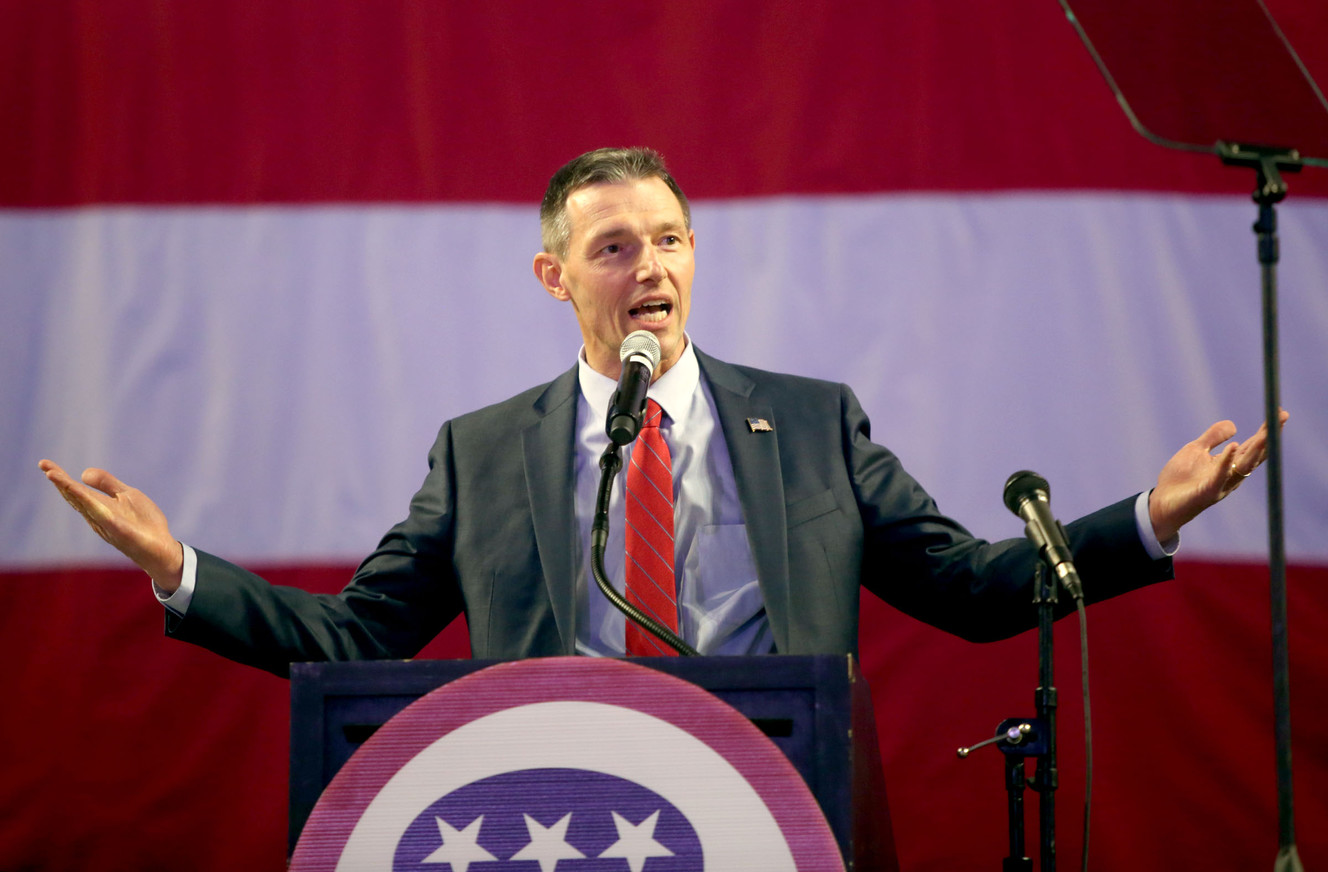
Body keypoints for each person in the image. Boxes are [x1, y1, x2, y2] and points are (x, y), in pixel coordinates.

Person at [39, 147, 1283, 677]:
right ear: (555, 275)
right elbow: (365, 636)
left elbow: (965, 589)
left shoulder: (809, 423)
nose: (651, 268)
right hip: (552, 807)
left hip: (777, 797)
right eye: (616, 246)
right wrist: (180, 568)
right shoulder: (481, 454)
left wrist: (1145, 523)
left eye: (672, 239)